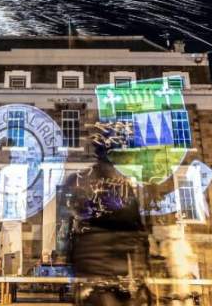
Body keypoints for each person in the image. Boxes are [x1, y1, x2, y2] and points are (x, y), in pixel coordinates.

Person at [64, 122, 149, 305]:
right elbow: (80, 233)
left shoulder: (123, 187)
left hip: (119, 272)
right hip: (99, 272)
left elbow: (138, 231)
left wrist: (142, 269)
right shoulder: (84, 182)